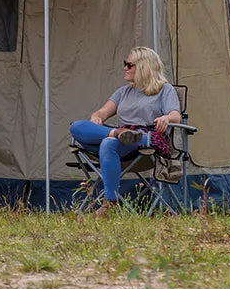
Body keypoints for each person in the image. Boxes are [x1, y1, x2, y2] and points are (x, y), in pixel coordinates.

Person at [69, 46, 181, 216]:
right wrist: (97, 117)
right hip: (121, 136)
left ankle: (110, 204)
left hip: (146, 140)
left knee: (108, 143)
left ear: (144, 67)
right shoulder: (123, 92)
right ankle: (117, 133)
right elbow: (101, 112)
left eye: (129, 65)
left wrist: (167, 118)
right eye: (125, 64)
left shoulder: (165, 90)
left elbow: (176, 116)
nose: (125, 68)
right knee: (76, 126)